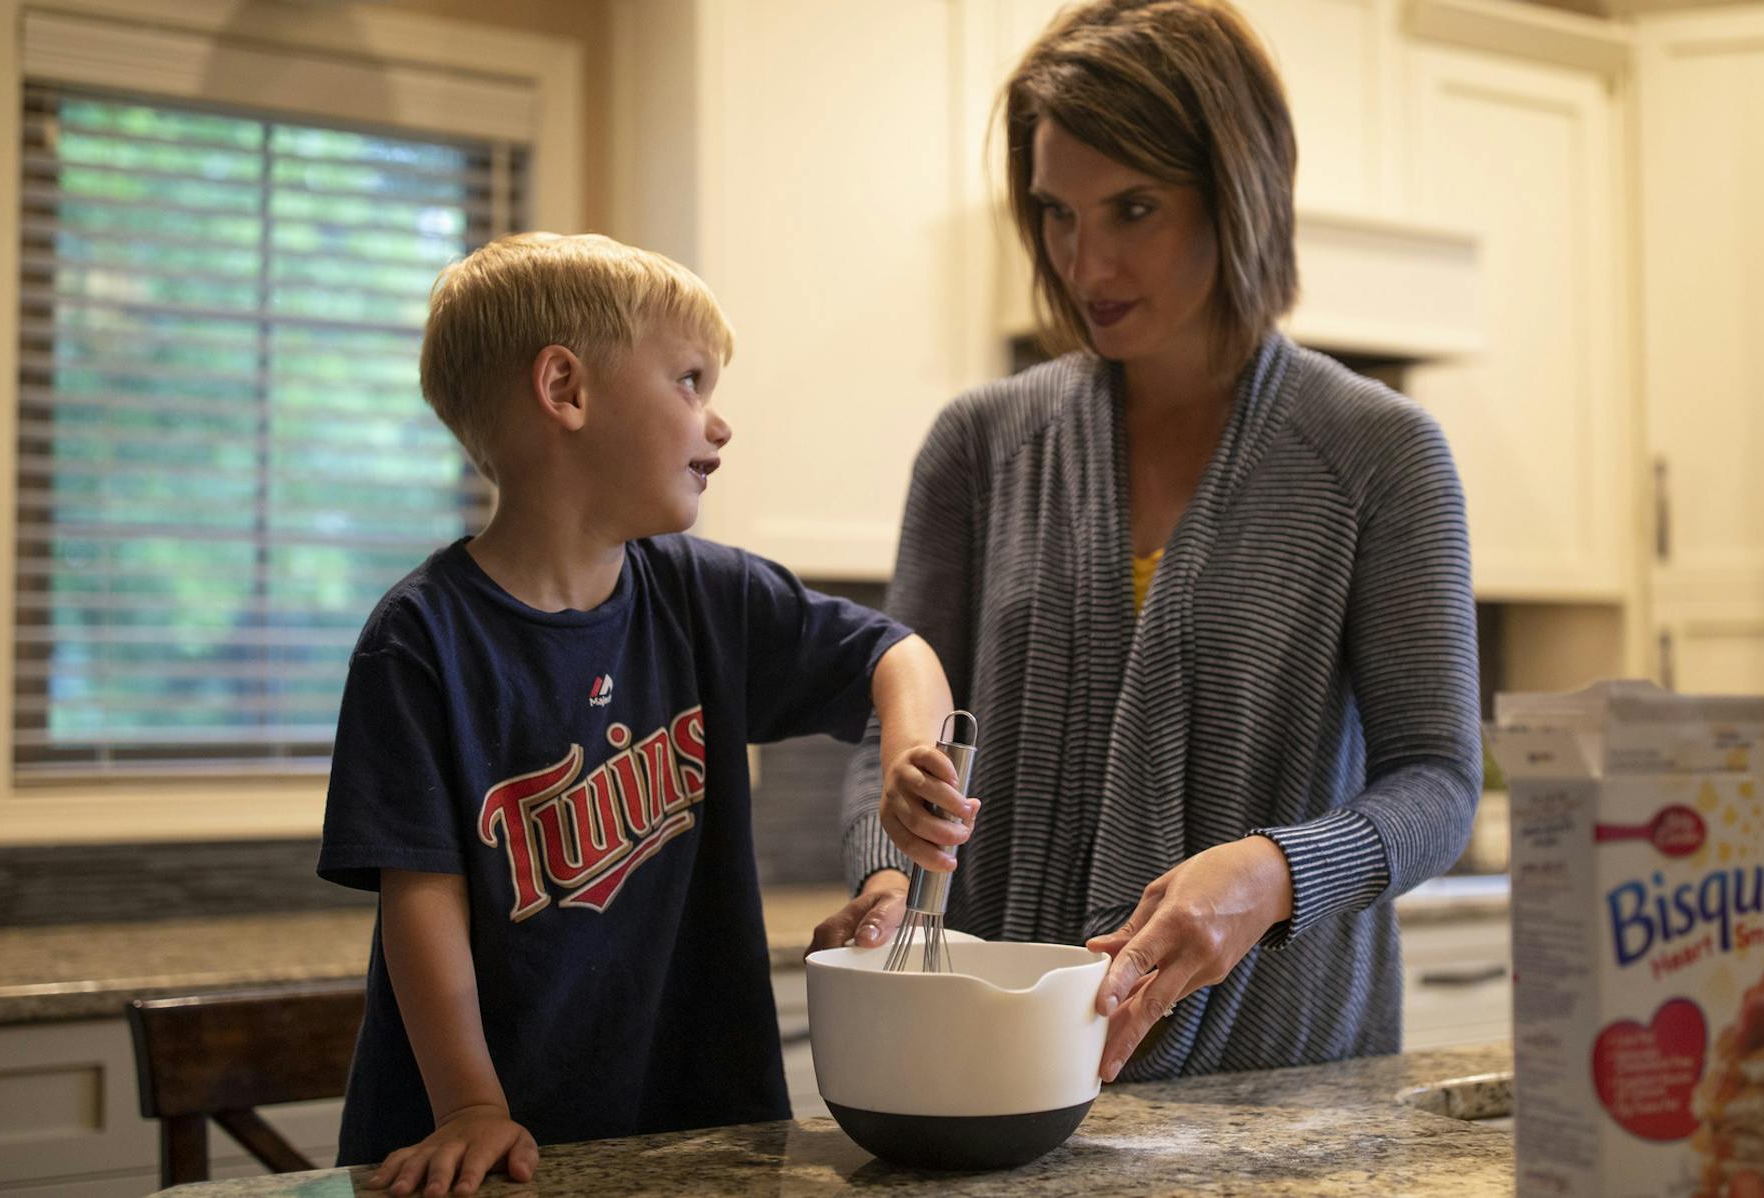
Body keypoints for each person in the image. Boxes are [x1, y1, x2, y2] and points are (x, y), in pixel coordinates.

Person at [811, 0, 1481, 1087]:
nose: (1088, 263)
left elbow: (1439, 781)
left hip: (1284, 1087)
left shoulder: (1380, 456)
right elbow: (896, 733)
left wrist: (1273, 873)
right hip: (1000, 1075)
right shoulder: (979, 448)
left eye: (1133, 209)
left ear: (1237, 196)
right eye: (1057, 214)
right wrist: (890, 878)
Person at [318, 233, 967, 1196]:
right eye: (690, 382)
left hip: (701, 1134)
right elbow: (423, 902)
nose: (720, 424)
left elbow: (896, 651)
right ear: (566, 390)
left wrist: (912, 752)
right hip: (493, 1152)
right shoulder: (421, 640)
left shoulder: (706, 596)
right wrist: (467, 1107)